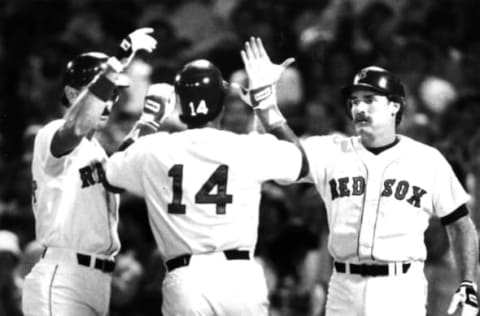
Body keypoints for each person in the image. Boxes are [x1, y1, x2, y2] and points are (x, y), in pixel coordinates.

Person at [241, 37, 479, 316]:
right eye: (354, 101)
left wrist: (469, 282)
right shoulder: (332, 149)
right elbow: (294, 154)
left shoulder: (427, 160)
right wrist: (265, 103)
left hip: (399, 288)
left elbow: (461, 225)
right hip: (344, 285)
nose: (359, 108)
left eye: (369, 99)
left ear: (395, 106)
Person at [102, 57, 309, 315]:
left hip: (187, 278)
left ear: (179, 105)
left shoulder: (154, 149)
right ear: (221, 105)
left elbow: (110, 175)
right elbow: (301, 164)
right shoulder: (246, 146)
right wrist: (265, 104)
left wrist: (148, 121)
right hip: (240, 276)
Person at [21, 28, 158, 316]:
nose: (109, 102)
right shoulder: (51, 133)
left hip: (96, 278)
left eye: (114, 94)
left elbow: (117, 178)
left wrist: (147, 123)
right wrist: (115, 63)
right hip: (63, 274)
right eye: (105, 92)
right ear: (72, 93)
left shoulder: (95, 148)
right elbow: (76, 127)